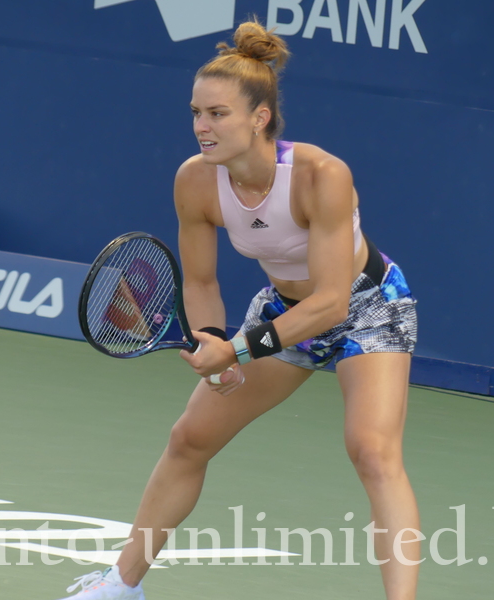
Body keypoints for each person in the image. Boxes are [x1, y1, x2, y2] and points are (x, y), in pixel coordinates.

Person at [55, 19, 419, 600]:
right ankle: (119, 586)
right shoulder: (195, 182)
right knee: (189, 438)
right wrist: (211, 342)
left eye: (217, 114)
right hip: (282, 310)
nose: (202, 127)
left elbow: (329, 303)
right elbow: (199, 280)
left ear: (260, 118)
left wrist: (241, 348)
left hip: (369, 305)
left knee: (372, 451)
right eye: (196, 113)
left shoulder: (321, 176)